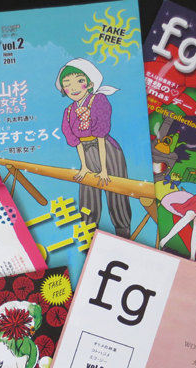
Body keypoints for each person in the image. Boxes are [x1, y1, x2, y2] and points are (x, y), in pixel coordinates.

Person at [57, 58, 132, 239]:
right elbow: (76, 142)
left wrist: (104, 169)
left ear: (90, 83)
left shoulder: (99, 100)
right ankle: (88, 236)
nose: (74, 88)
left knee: (116, 191)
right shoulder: (68, 111)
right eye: (67, 84)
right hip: (87, 151)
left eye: (79, 81)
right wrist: (84, 166)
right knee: (88, 193)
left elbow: (100, 135)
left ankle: (123, 233)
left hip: (107, 150)